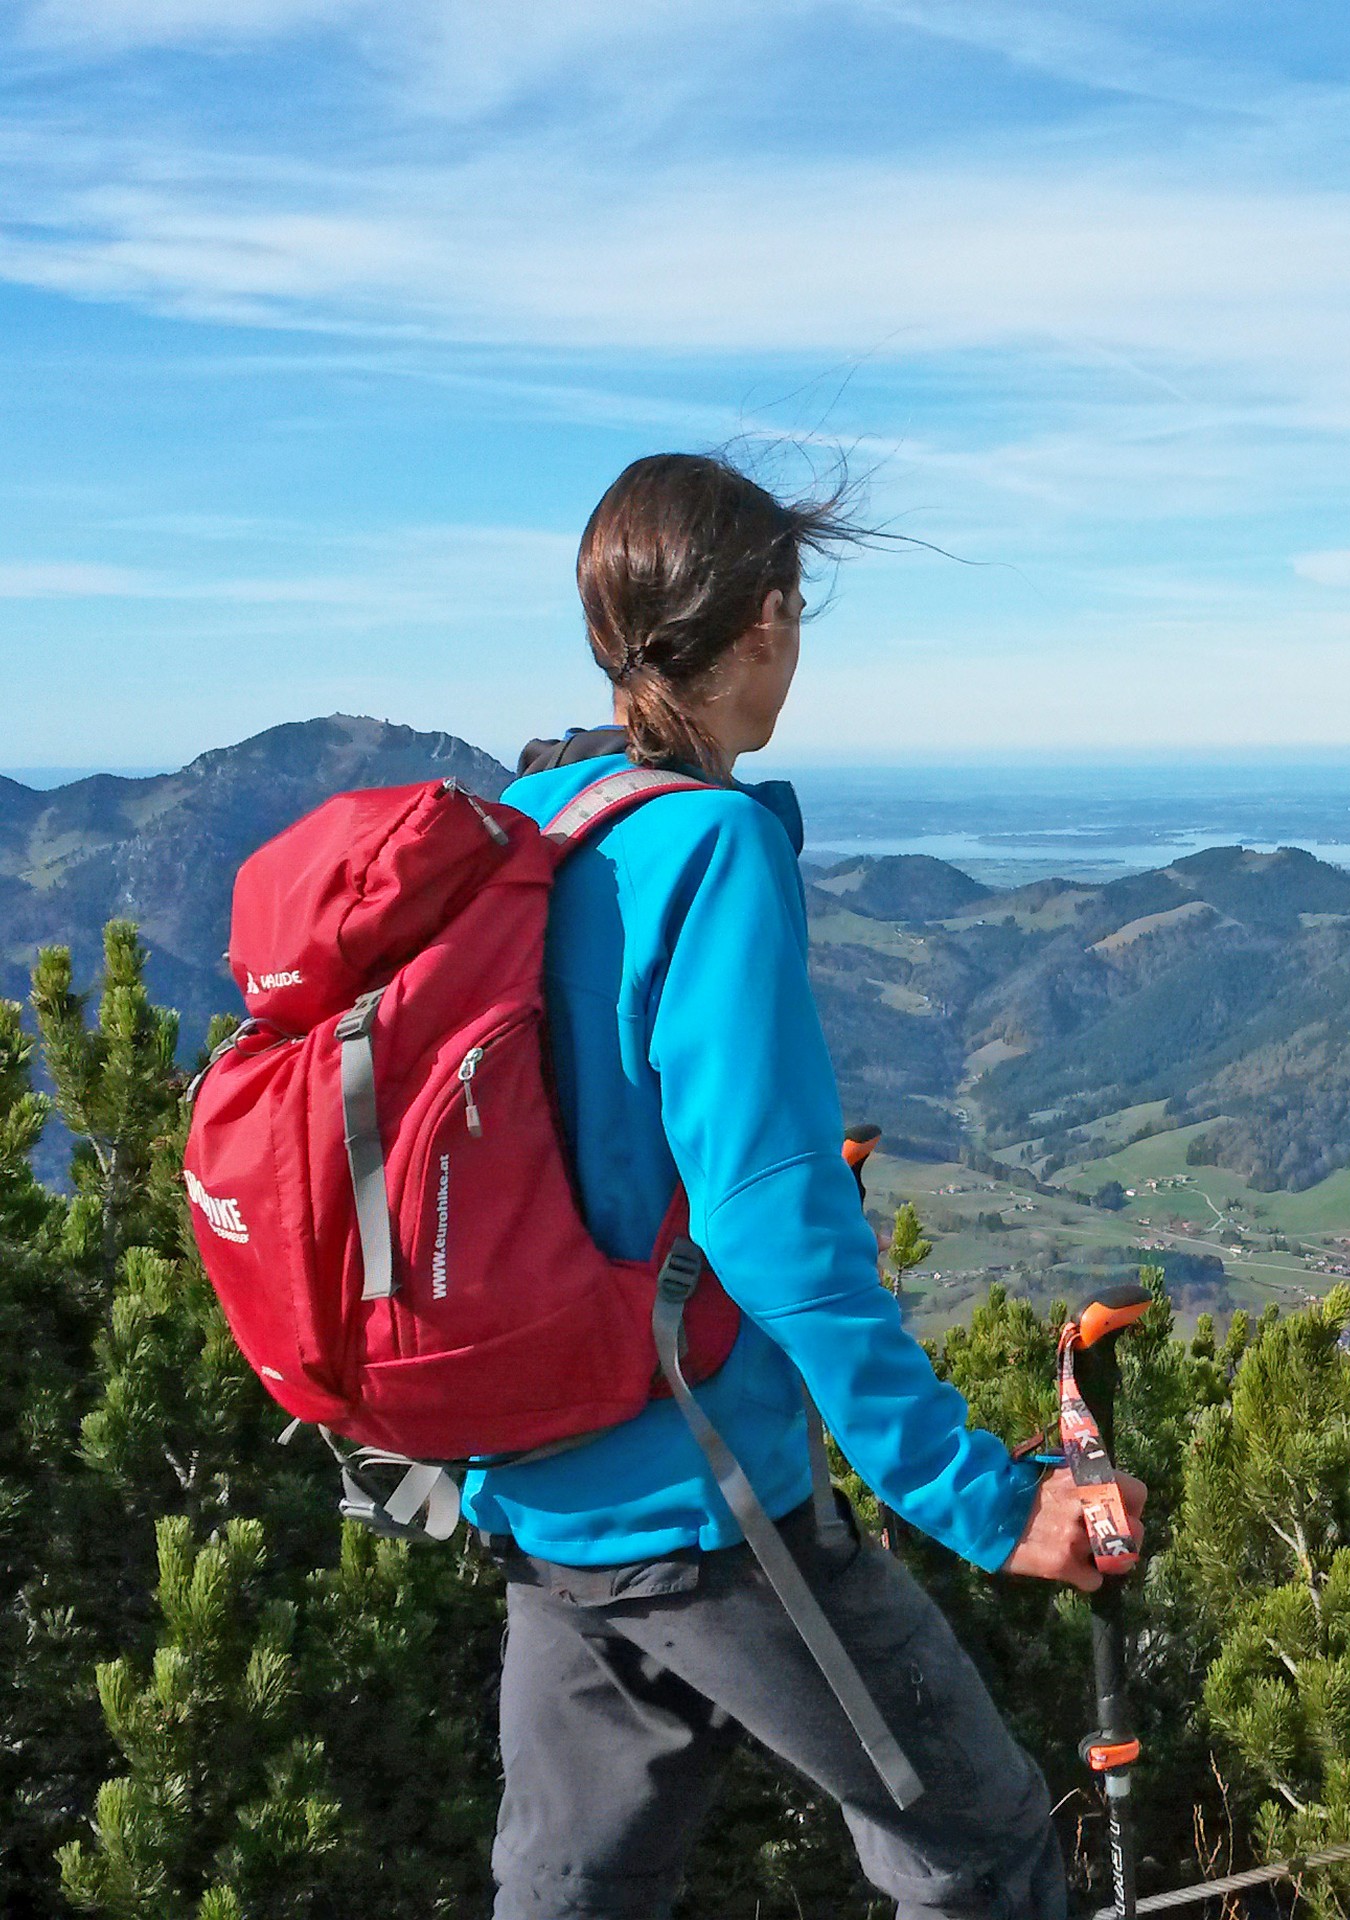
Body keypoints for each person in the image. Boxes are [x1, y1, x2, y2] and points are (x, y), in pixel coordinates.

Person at [462, 451, 1138, 1920]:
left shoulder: (533, 827)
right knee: (980, 1848)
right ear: (766, 621)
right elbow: (777, 1223)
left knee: (574, 1889)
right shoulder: (705, 848)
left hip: (541, 1487)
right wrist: (985, 1500)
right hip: (710, 1499)